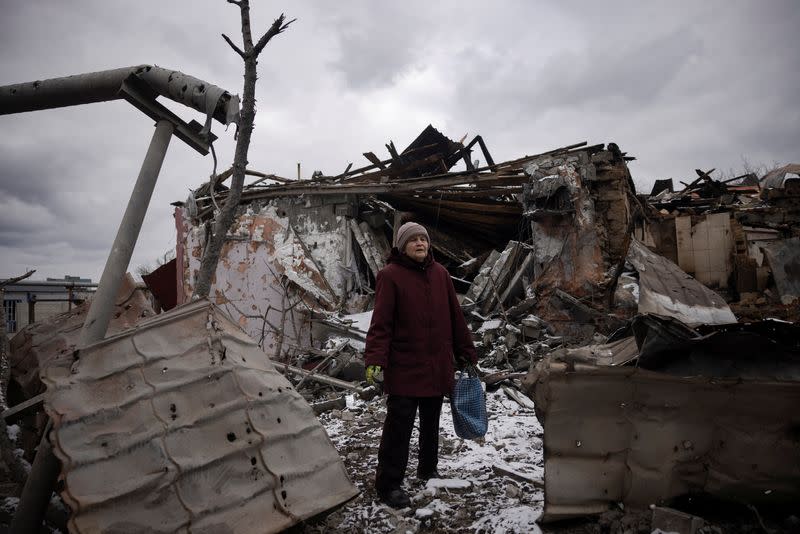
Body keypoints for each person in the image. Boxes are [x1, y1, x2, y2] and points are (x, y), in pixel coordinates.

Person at [364, 221, 477, 508]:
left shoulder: (440, 274)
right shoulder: (390, 276)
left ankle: (428, 470)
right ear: (403, 246)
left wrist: (466, 352)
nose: (420, 244)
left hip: (437, 365)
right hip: (404, 366)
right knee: (398, 428)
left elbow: (455, 318)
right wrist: (375, 359)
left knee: (431, 423)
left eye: (423, 240)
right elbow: (381, 324)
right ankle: (389, 484)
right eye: (413, 240)